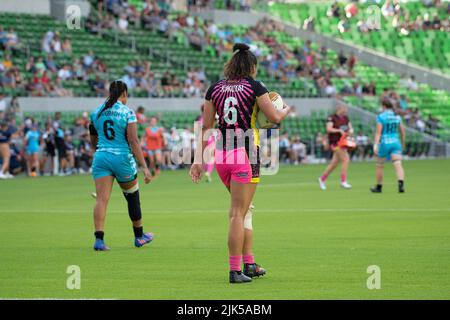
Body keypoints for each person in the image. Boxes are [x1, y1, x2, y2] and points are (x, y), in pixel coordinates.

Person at [189, 43, 291, 284]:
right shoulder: (255, 86)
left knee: (244, 211)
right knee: (239, 213)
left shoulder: (214, 88)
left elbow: (206, 127)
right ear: (251, 67)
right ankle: (236, 269)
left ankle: (250, 263)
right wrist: (285, 109)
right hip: (246, 153)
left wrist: (198, 160)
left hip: (221, 154)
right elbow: (274, 118)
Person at [89, 80, 153, 251]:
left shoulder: (96, 112)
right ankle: (139, 236)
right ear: (124, 94)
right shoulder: (127, 112)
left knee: (101, 200)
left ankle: (99, 240)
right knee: (132, 197)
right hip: (122, 159)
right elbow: (133, 140)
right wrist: (145, 167)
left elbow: (93, 140)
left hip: (101, 157)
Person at [371, 99, 406, 193]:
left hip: (385, 142)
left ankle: (379, 187)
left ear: (384, 106)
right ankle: (401, 185)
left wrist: (376, 144)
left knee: (379, 165)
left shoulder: (381, 117)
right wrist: (402, 142)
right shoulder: (397, 116)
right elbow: (402, 131)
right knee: (398, 164)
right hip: (396, 142)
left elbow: (378, 132)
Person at [318, 104, 354, 190]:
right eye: (344, 108)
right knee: (346, 159)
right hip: (335, 142)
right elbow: (329, 129)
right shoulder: (332, 118)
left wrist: (351, 131)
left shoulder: (346, 118)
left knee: (334, 164)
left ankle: (322, 179)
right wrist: (339, 131)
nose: (345, 110)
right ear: (339, 108)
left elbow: (350, 127)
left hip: (344, 142)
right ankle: (343, 181)